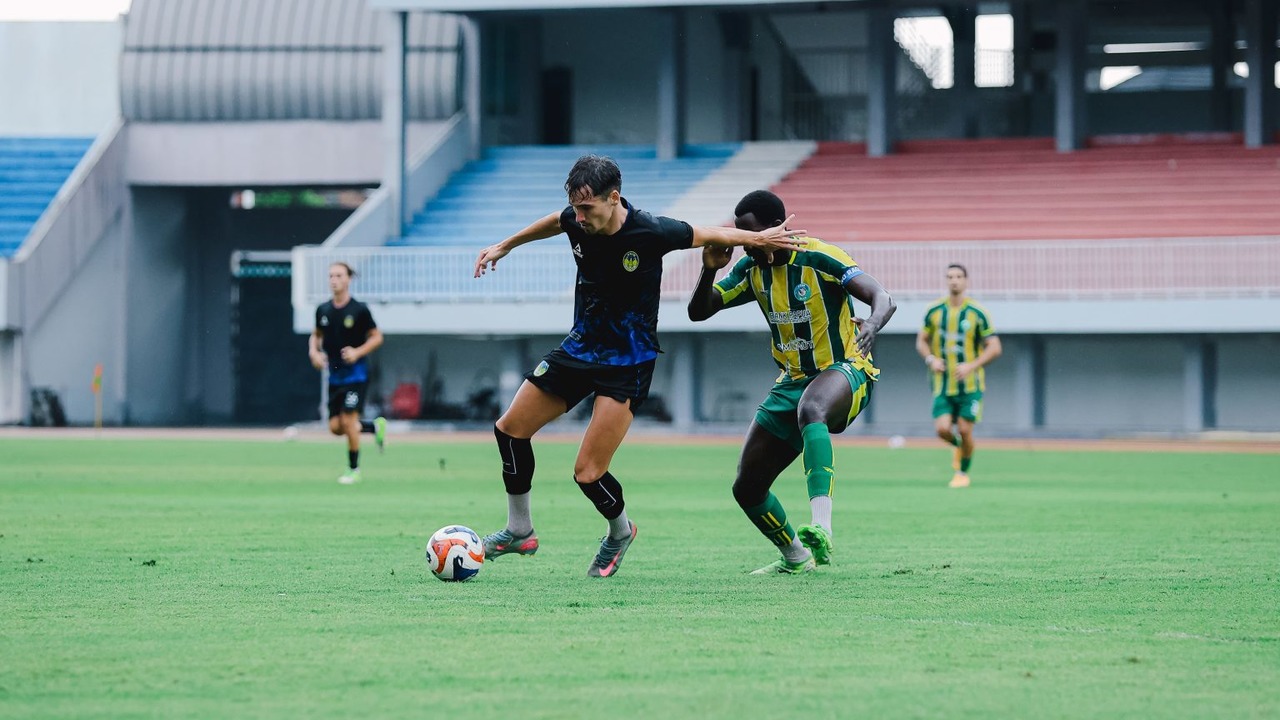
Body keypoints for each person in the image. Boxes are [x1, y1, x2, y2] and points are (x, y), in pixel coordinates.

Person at [472, 155, 808, 579]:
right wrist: (506, 244)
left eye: (587, 209)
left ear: (614, 198)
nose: (579, 218)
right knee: (509, 430)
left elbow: (712, 232)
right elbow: (554, 221)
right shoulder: (576, 218)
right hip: (579, 349)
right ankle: (519, 529)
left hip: (627, 363)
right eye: (575, 208)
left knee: (588, 473)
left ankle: (619, 531)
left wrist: (762, 240)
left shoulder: (652, 230)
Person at [688, 190, 896, 575]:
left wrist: (871, 323)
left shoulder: (819, 256)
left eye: (752, 233)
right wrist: (709, 268)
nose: (748, 243)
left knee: (812, 409)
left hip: (846, 369)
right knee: (747, 487)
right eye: (741, 236)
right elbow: (698, 312)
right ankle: (796, 557)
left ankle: (822, 525)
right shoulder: (751, 269)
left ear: (775, 227)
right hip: (792, 380)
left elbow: (882, 296)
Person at [915, 264, 1001, 489]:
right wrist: (931, 359)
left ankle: (962, 472)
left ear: (966, 281)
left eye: (959, 276)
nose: (954, 280)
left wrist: (971, 365)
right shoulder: (934, 311)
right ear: (946, 280)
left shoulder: (977, 313)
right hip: (942, 385)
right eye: (950, 276)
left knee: (964, 429)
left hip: (970, 386)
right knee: (942, 430)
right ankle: (960, 447)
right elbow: (921, 340)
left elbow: (994, 347)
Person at [308, 261, 387, 485]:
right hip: (335, 376)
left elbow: (377, 337)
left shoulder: (359, 310)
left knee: (349, 419)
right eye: (331, 276)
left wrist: (358, 351)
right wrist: (314, 352)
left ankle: (353, 469)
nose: (334, 280)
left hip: (356, 375)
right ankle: (373, 426)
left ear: (348, 279)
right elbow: (316, 335)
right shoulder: (322, 310)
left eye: (339, 275)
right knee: (335, 427)